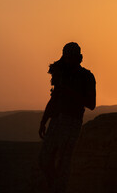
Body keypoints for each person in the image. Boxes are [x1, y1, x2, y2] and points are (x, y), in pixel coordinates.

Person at [38, 42, 96, 193]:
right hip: (56, 121)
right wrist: (44, 121)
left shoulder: (86, 77)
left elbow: (91, 104)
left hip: (72, 122)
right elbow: (54, 98)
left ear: (79, 58)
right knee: (45, 159)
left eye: (71, 56)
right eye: (66, 56)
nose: (68, 60)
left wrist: (69, 92)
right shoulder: (62, 74)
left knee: (64, 162)